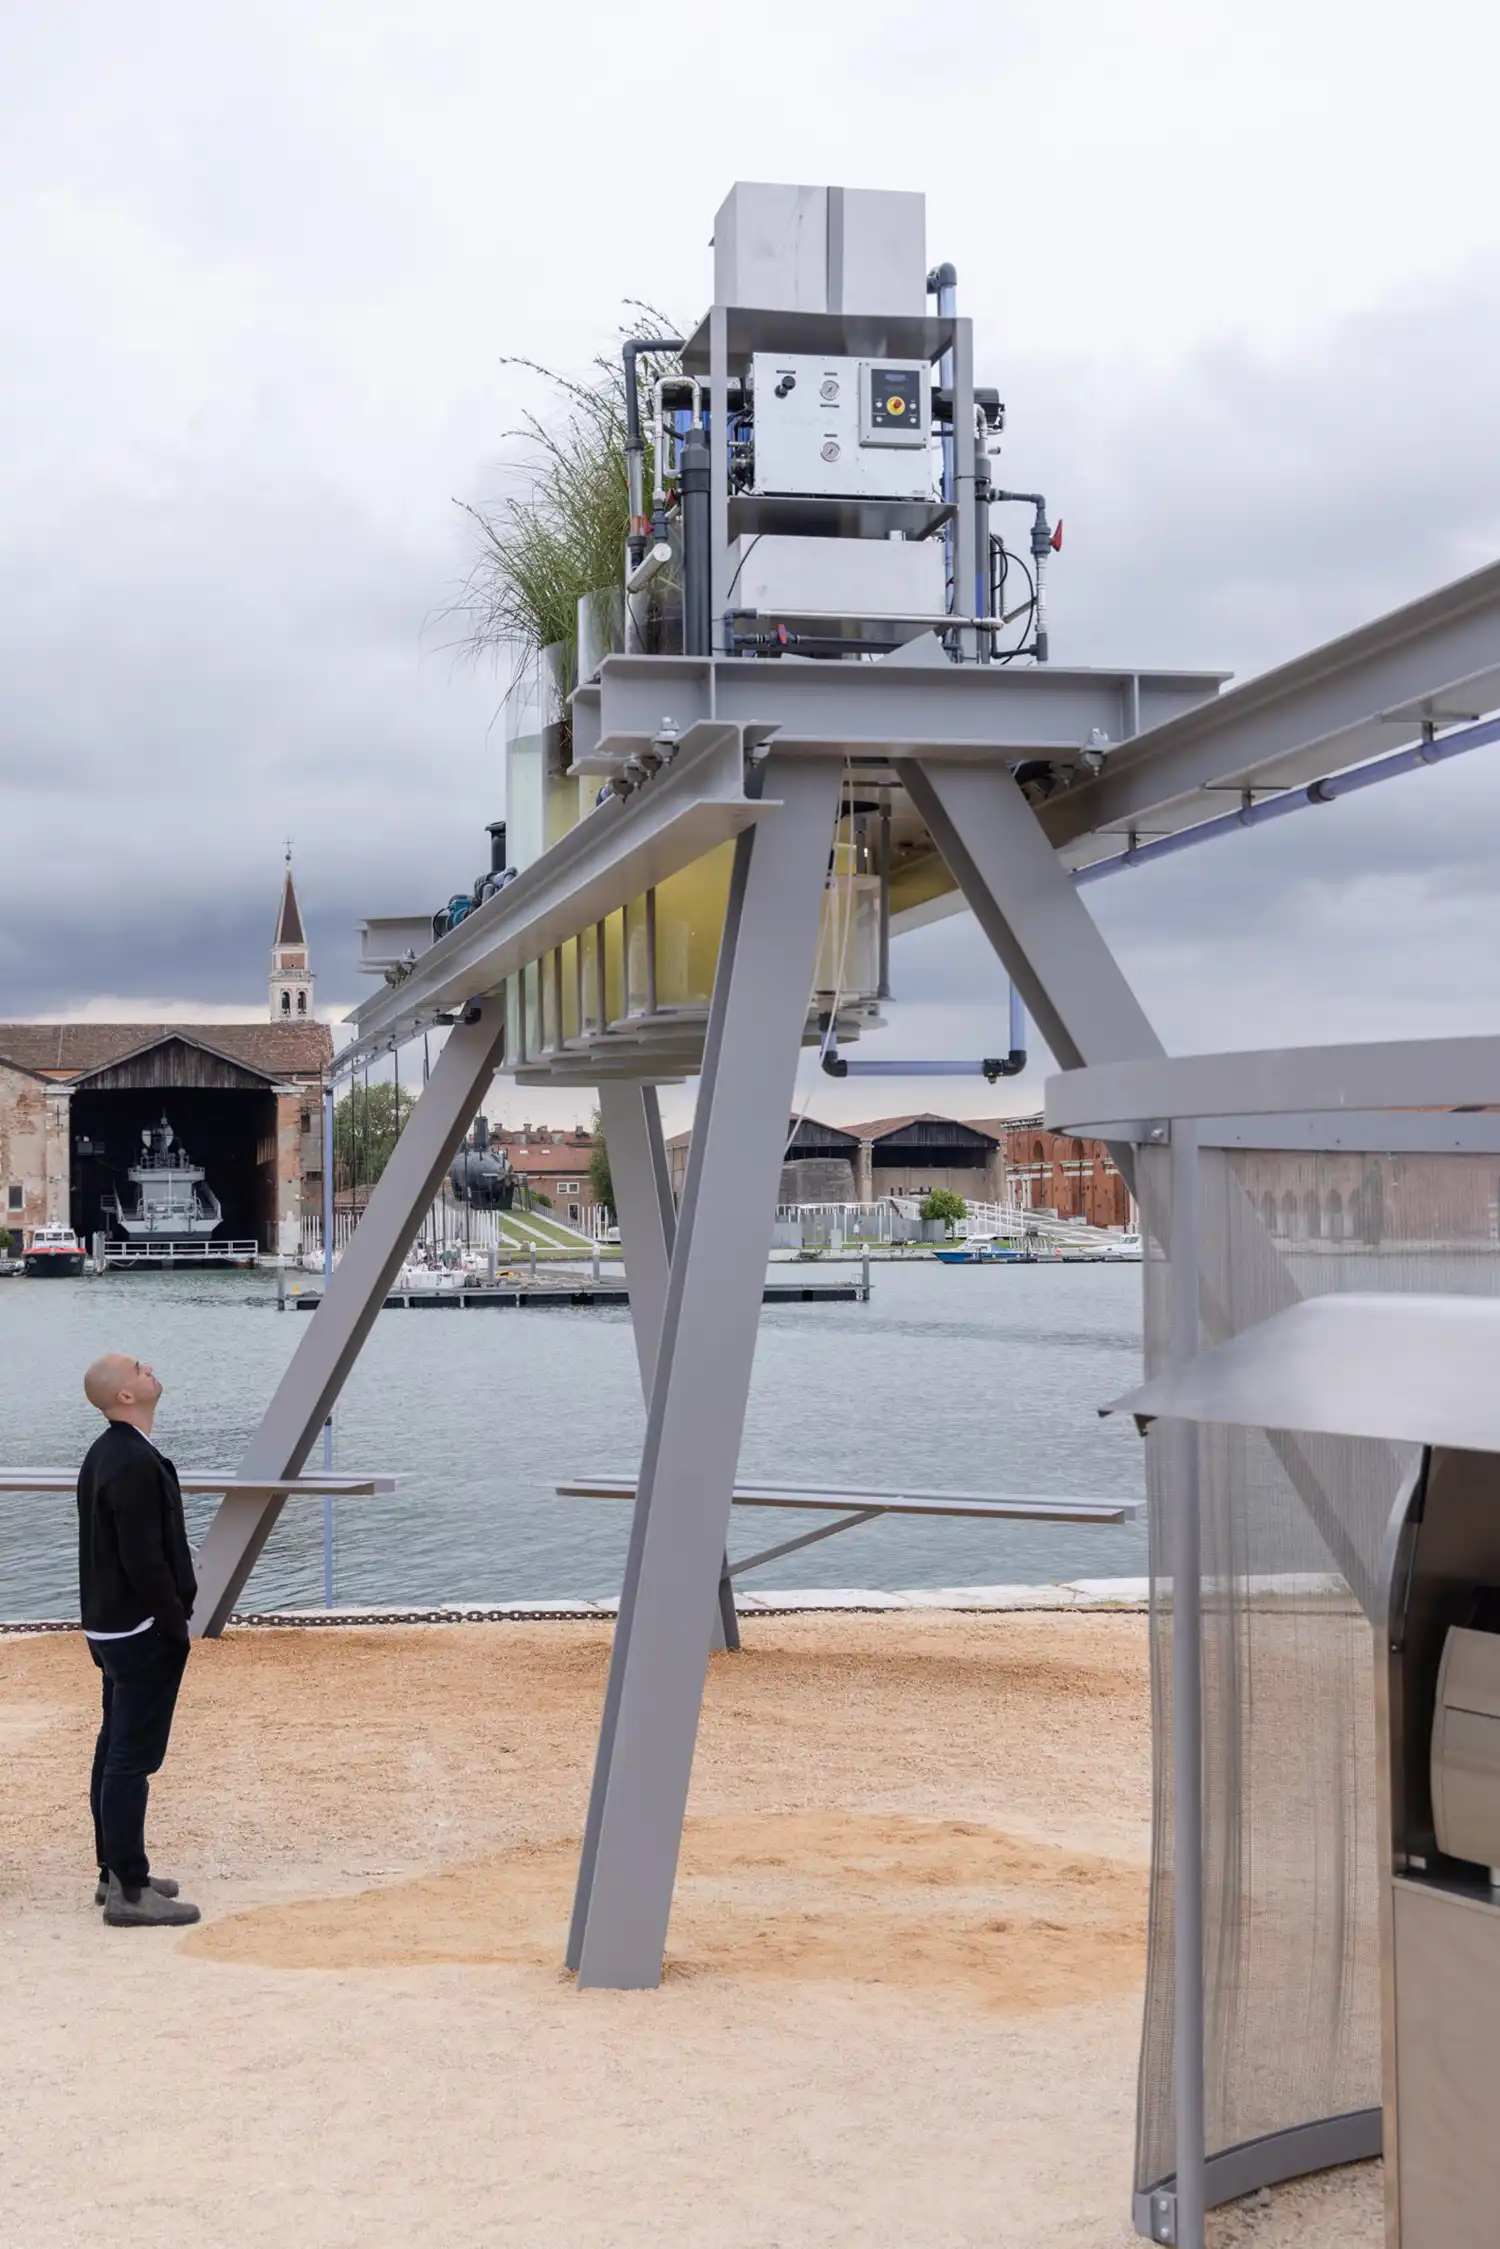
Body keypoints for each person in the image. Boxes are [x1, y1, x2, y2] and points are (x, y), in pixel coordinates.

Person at [77, 1353, 201, 1928]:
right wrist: (172, 1622)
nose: (149, 1368)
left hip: (111, 1626)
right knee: (132, 1759)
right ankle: (130, 1890)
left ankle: (114, 1872)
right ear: (125, 1396)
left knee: (115, 1748)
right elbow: (142, 1557)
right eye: (138, 1368)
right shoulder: (129, 1461)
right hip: (139, 1630)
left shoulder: (108, 1454)